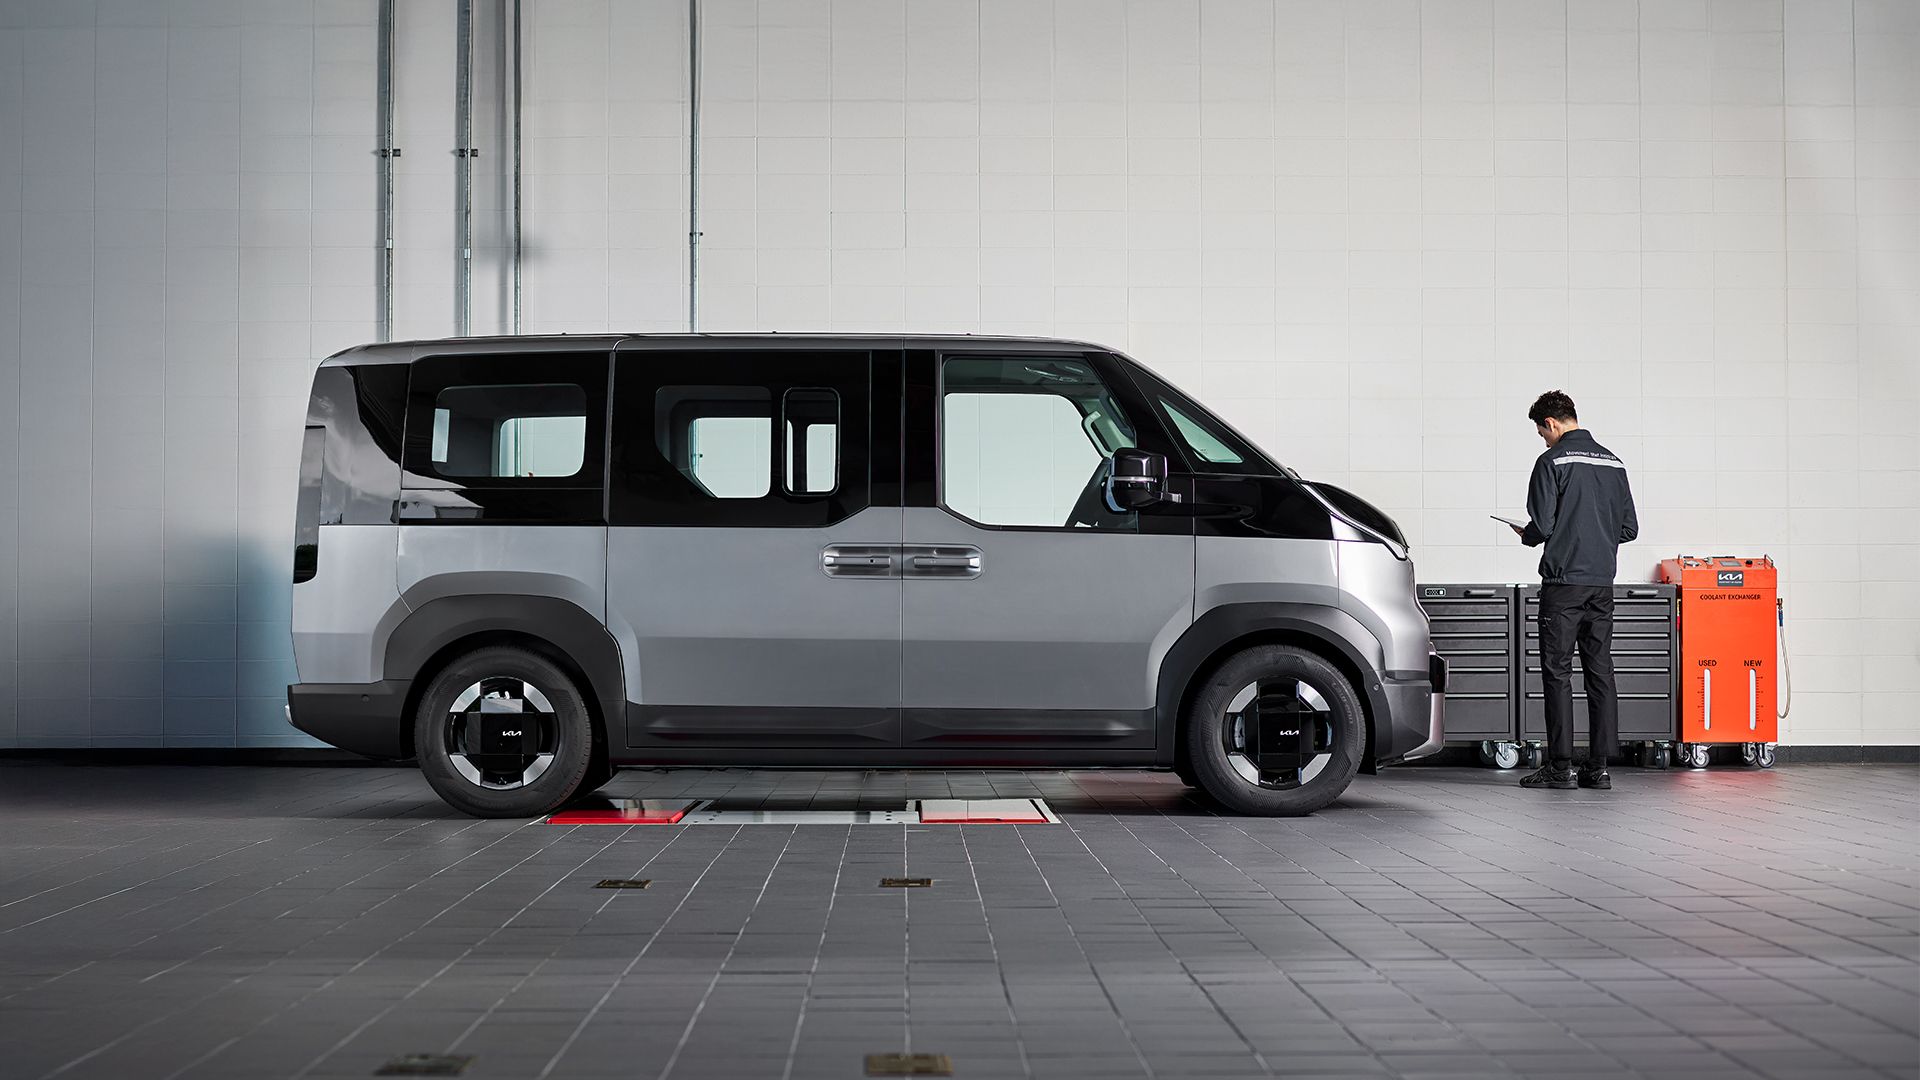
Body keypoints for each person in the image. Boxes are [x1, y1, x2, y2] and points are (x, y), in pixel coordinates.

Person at [1505, 391, 1638, 791]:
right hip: (1601, 584)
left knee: (1557, 673)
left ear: (1552, 423)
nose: (1543, 440)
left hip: (1563, 585)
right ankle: (1597, 769)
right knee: (1600, 672)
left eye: (1540, 431)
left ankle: (1560, 768)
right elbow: (1629, 529)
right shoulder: (1614, 463)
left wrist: (1526, 534)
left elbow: (1542, 527)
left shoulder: (1551, 462)